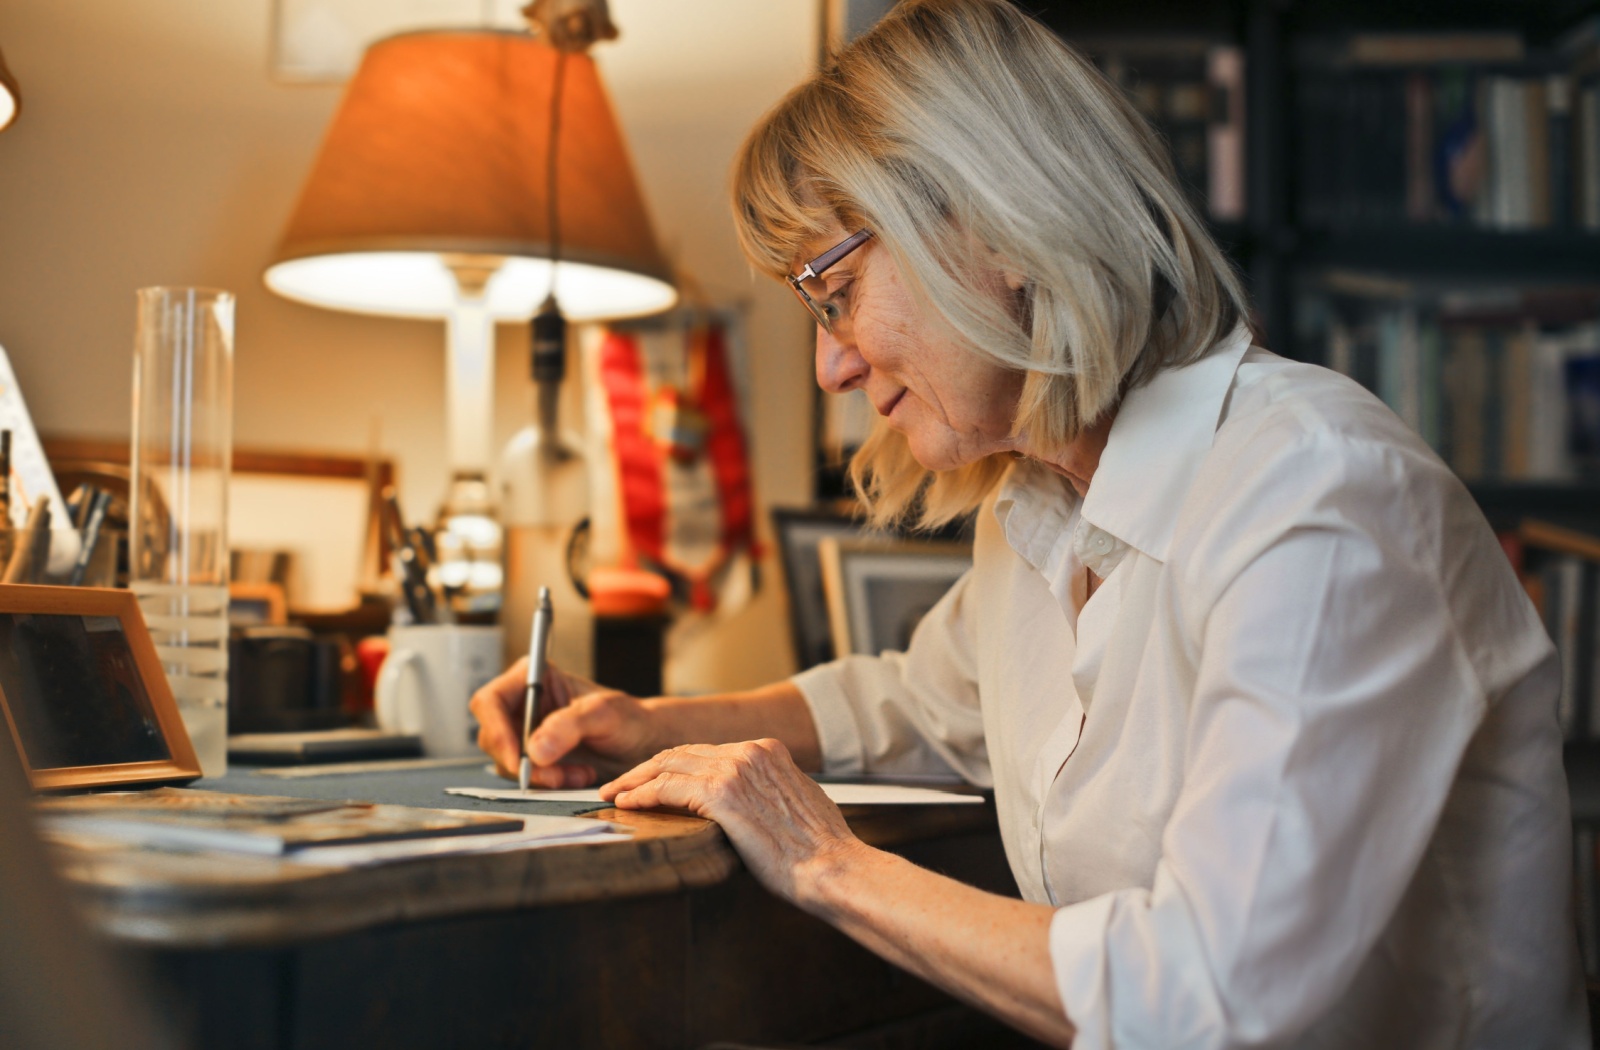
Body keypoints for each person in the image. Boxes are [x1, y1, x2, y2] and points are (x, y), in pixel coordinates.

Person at [472, 1, 1587, 1044]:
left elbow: (1209, 996)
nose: (829, 365)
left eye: (833, 289)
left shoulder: (1319, 500)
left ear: (999, 228)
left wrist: (822, 862)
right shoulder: (1040, 507)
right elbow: (919, 700)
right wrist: (654, 724)